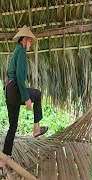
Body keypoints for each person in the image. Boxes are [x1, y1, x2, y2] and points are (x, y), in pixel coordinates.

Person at [0, 25, 48, 169]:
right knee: (37, 94)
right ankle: (36, 129)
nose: (30, 45)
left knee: (13, 126)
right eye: (30, 42)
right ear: (25, 39)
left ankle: (3, 158)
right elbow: (20, 78)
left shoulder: (16, 51)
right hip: (15, 89)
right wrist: (27, 98)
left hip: (9, 91)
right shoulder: (20, 51)